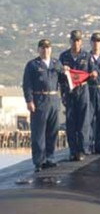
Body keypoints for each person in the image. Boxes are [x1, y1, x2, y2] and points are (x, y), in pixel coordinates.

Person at [23, 39, 65, 172]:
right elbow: (27, 84)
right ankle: (39, 161)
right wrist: (29, 101)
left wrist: (66, 72)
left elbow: (63, 81)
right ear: (38, 49)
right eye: (42, 48)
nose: (45, 50)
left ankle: (50, 158)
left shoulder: (56, 63)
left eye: (47, 48)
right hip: (39, 99)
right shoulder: (32, 65)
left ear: (50, 49)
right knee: (38, 132)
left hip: (53, 99)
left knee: (53, 131)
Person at [59, 30, 91, 161]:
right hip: (69, 92)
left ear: (81, 41)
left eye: (78, 40)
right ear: (70, 41)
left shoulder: (86, 56)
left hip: (83, 91)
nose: (76, 42)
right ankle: (73, 150)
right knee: (71, 122)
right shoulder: (64, 57)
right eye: (73, 40)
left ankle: (83, 149)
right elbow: (60, 78)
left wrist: (93, 74)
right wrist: (62, 95)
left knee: (83, 122)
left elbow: (92, 72)